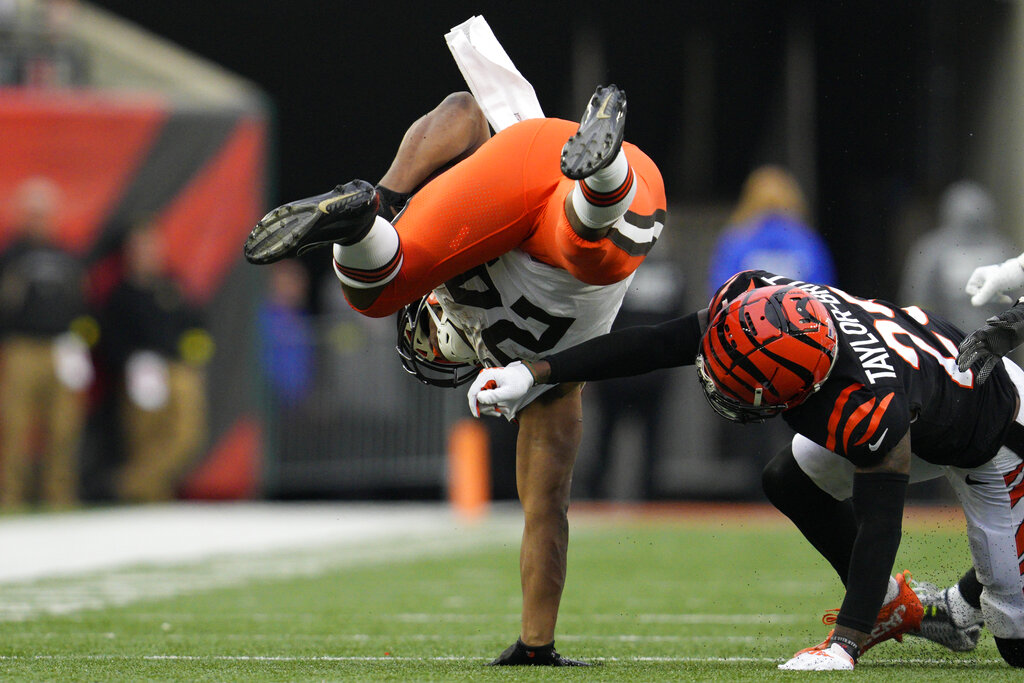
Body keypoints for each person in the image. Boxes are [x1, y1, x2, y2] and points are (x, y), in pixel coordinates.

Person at [243, 85, 667, 665]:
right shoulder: (444, 300)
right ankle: (373, 218)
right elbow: (464, 109)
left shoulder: (537, 378)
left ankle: (366, 223)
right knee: (576, 250)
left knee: (590, 254)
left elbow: (549, 514)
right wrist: (393, 192)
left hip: (539, 201)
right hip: (538, 164)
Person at [467, 269, 1024, 671]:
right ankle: (888, 604)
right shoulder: (763, 313)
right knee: (787, 479)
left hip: (995, 433)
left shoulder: (864, 404)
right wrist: (535, 371)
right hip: (920, 404)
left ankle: (963, 601)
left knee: (1016, 644)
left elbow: (883, 523)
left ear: (802, 387)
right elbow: (659, 343)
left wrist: (844, 644)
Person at [102, 219, 212, 502]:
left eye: (150, 246)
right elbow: (107, 338)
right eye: (138, 247)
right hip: (140, 373)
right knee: (145, 441)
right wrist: (130, 361)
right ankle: (151, 500)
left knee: (187, 436)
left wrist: (194, 360)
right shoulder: (121, 294)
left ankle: (123, 485)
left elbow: (197, 327)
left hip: (177, 370)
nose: (145, 253)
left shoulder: (173, 286)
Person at [0, 176, 93, 509]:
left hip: (62, 347)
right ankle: (10, 494)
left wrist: (81, 342)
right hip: (22, 346)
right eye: (32, 213)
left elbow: (83, 303)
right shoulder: (9, 255)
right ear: (21, 215)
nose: (38, 220)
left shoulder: (68, 256)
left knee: (64, 425)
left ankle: (59, 494)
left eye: (43, 213)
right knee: (14, 426)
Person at [900, 180, 1017, 333]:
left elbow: (1017, 300)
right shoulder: (933, 250)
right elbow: (918, 298)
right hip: (946, 337)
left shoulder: (1002, 250)